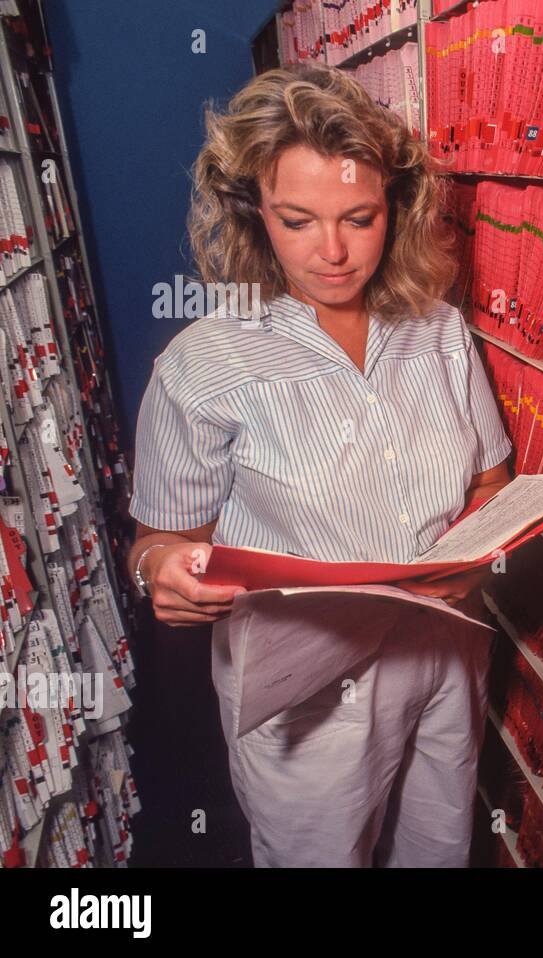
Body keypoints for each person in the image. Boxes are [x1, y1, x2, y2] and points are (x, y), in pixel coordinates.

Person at [124, 63, 513, 867]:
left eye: (359, 218)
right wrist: (162, 573)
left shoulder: (436, 331)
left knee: (438, 850)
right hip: (307, 697)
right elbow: (158, 543)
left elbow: (489, 485)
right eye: (298, 221)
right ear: (254, 214)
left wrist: (475, 558)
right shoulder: (203, 364)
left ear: (394, 211)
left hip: (444, 654)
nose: (332, 252)